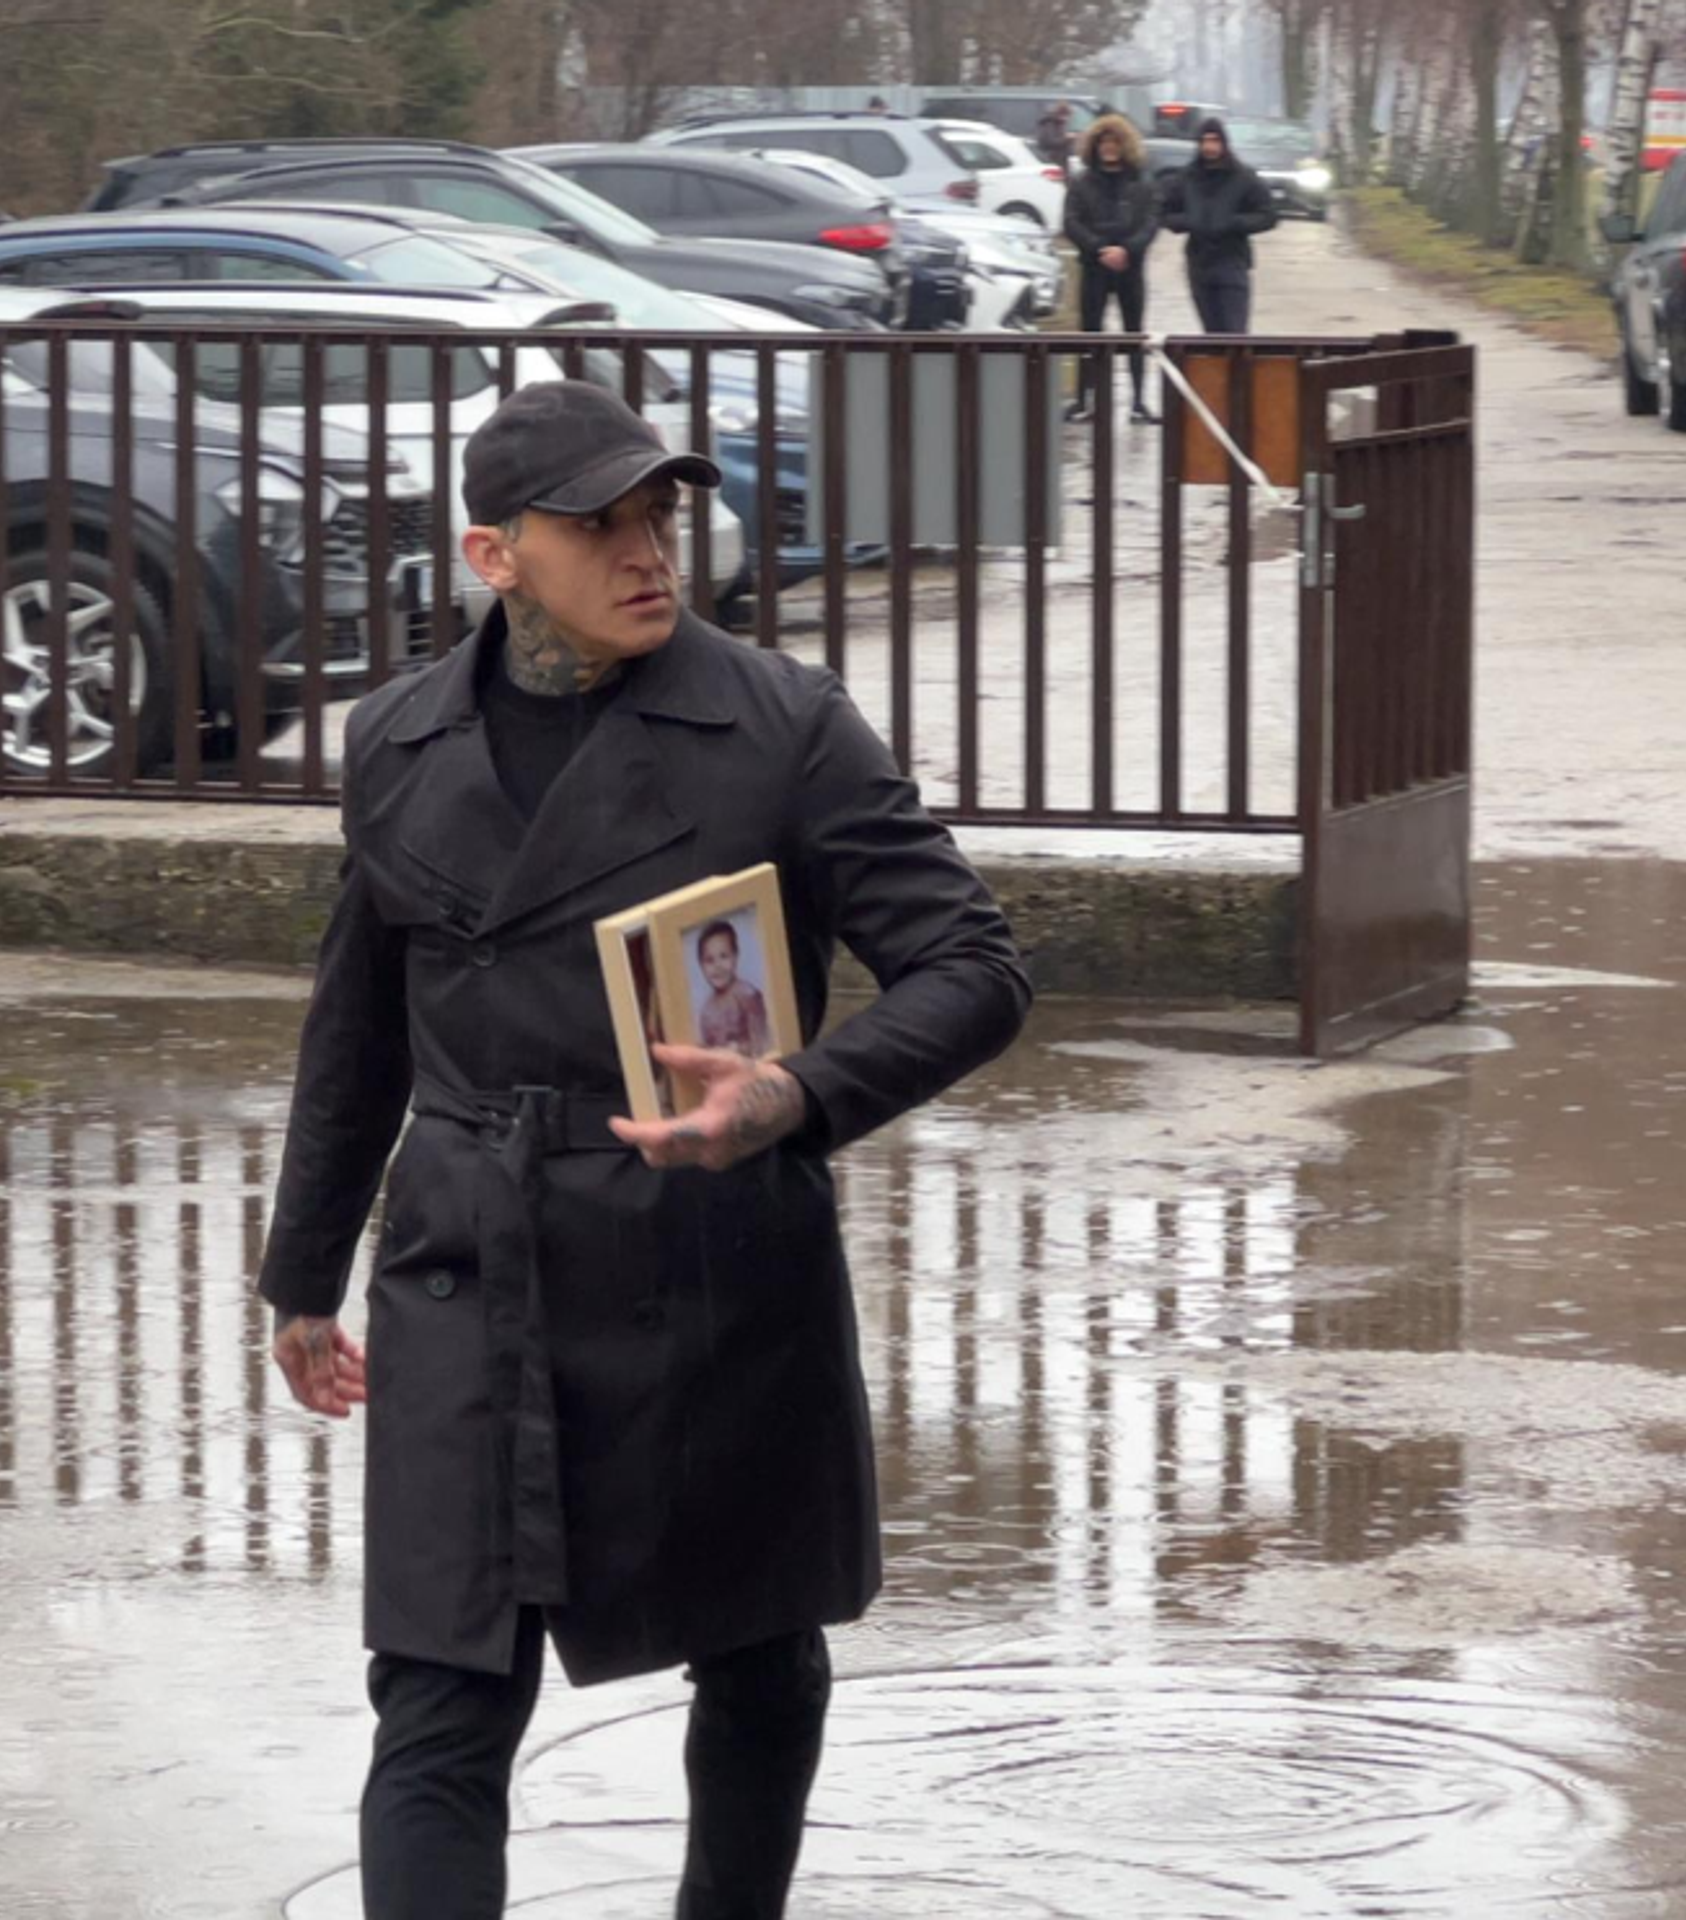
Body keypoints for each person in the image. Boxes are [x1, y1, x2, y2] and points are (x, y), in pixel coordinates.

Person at [256, 378, 1032, 1919]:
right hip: (466, 1260)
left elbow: (974, 970)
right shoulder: (399, 742)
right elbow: (359, 1025)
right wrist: (302, 1274)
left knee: (756, 1660)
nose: (646, 551)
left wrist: (789, 1096)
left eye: (658, 514)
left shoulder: (780, 725)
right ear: (495, 555)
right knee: (438, 1696)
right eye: (598, 524)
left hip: (709, 1263)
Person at [1060, 112, 1160, 424]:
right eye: (1104, 141)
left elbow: (1151, 221)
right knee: (1089, 335)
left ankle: (1139, 402)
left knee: (1135, 334)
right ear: (1095, 145)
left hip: (1130, 267)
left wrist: (1127, 249)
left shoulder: (1141, 182)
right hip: (1094, 266)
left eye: (1115, 141)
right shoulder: (1082, 182)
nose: (1109, 147)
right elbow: (1071, 221)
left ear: (1124, 145)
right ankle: (1083, 401)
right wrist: (1098, 248)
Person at [1158, 116, 1279, 336]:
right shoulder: (1187, 178)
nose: (1209, 146)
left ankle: (1238, 371)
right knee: (1210, 334)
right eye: (1205, 141)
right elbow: (1164, 212)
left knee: (1235, 333)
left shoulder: (1243, 177)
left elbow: (1268, 215)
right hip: (1199, 263)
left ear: (1224, 143)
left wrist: (1234, 223)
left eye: (1214, 140)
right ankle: (1214, 370)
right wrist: (1188, 222)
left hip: (1232, 261)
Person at [694, 917, 775, 1057]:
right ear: (701, 965)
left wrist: (738, 1049)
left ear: (735, 956)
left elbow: (763, 1044)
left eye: (724, 956)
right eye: (709, 960)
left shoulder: (748, 995)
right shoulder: (706, 1011)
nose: (717, 966)